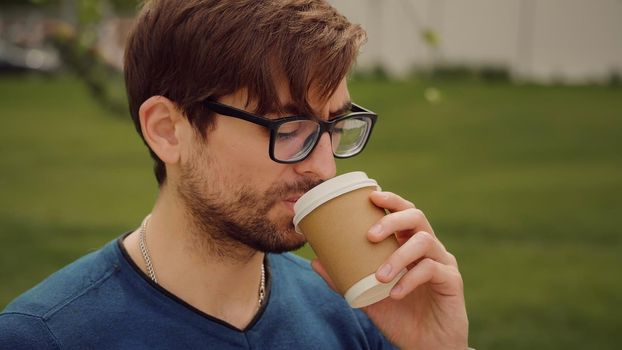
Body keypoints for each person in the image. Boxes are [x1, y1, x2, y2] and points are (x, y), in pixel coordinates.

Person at [0, 0, 469, 349]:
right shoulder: (43, 337)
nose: (324, 167)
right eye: (289, 127)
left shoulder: (361, 313)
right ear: (168, 131)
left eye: (334, 126)